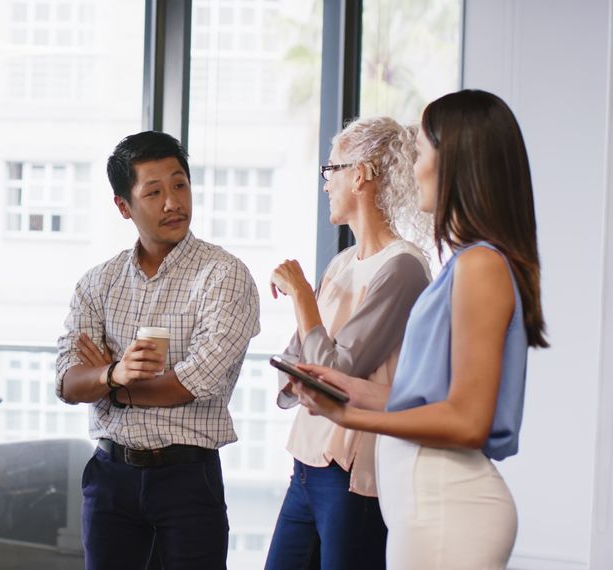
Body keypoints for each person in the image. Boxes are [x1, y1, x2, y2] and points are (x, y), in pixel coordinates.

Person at [291, 89, 548, 569]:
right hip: (429, 506)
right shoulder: (467, 264)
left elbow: (467, 421)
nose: (412, 168)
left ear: (454, 162)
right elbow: (432, 402)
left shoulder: (480, 267)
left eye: (422, 152)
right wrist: (350, 390)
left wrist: (354, 418)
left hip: (449, 510)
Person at [56, 131, 260, 569]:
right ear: (123, 206)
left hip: (187, 479)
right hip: (110, 478)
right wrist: (114, 373)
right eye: (154, 191)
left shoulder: (224, 275)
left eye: (180, 184)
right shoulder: (98, 282)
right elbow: (67, 382)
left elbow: (197, 380)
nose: (173, 202)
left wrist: (110, 384)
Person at [264, 117, 432, 569]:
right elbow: (300, 360)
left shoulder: (402, 268)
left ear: (359, 174)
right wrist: (305, 369)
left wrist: (302, 295)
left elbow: (339, 374)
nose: (325, 185)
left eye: (331, 170)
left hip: (349, 479)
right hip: (305, 467)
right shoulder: (341, 263)